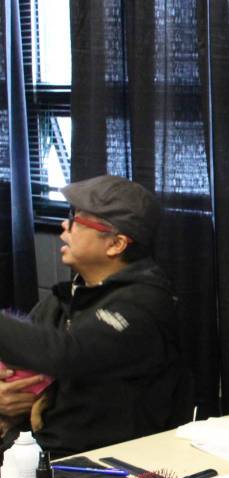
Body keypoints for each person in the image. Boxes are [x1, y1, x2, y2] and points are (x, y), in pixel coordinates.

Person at [0, 174, 191, 460]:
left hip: (98, 464)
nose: (64, 226)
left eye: (77, 220)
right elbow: (26, 357)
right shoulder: (68, 296)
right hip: (32, 450)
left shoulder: (143, 306)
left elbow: (67, 354)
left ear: (116, 244)